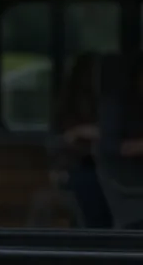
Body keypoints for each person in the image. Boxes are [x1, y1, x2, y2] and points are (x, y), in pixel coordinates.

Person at [54, 52, 112, 228]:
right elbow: (67, 137)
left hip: (108, 168)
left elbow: (111, 133)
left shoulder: (107, 102)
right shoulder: (71, 103)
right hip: (82, 168)